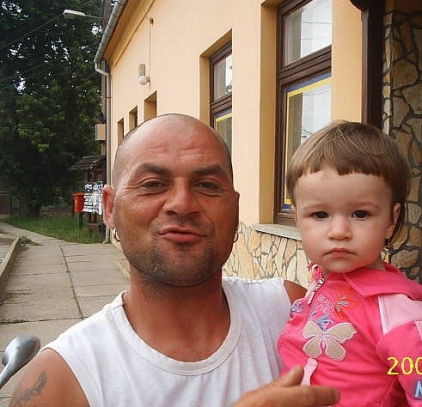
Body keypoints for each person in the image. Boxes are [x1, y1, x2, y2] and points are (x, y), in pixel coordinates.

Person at [9, 114, 339, 407]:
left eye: (207, 185)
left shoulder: (292, 312)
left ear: (235, 209)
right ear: (110, 208)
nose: (182, 204)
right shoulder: (63, 382)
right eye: (153, 185)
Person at [277, 121, 422, 406]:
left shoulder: (399, 315)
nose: (338, 231)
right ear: (297, 219)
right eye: (320, 215)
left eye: (360, 214)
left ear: (391, 219)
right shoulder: (322, 282)